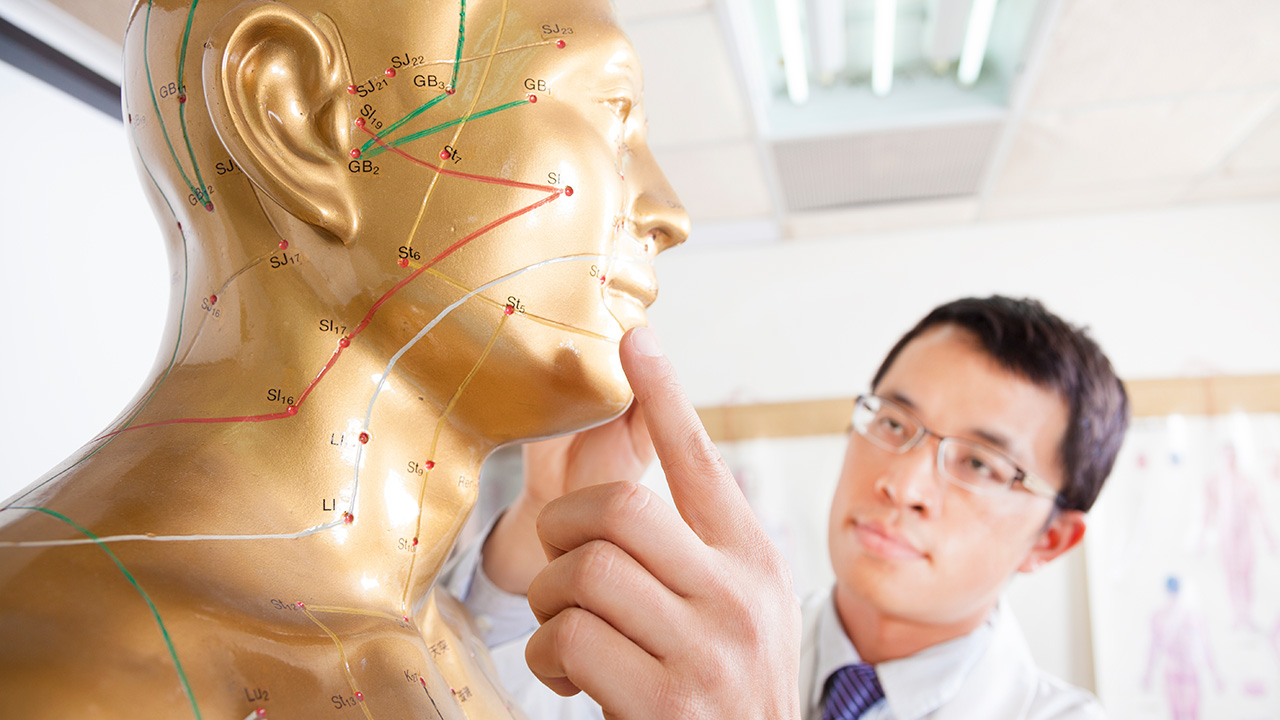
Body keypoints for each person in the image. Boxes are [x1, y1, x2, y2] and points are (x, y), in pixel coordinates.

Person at [0, 0, 689, 717]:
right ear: (296, 116)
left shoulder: (452, 649)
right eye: (612, 109)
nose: (671, 213)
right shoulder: (67, 676)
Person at [445, 296, 1130, 719]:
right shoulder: (693, 640)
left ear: (1052, 541)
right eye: (893, 423)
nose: (904, 484)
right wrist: (544, 516)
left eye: (981, 464)